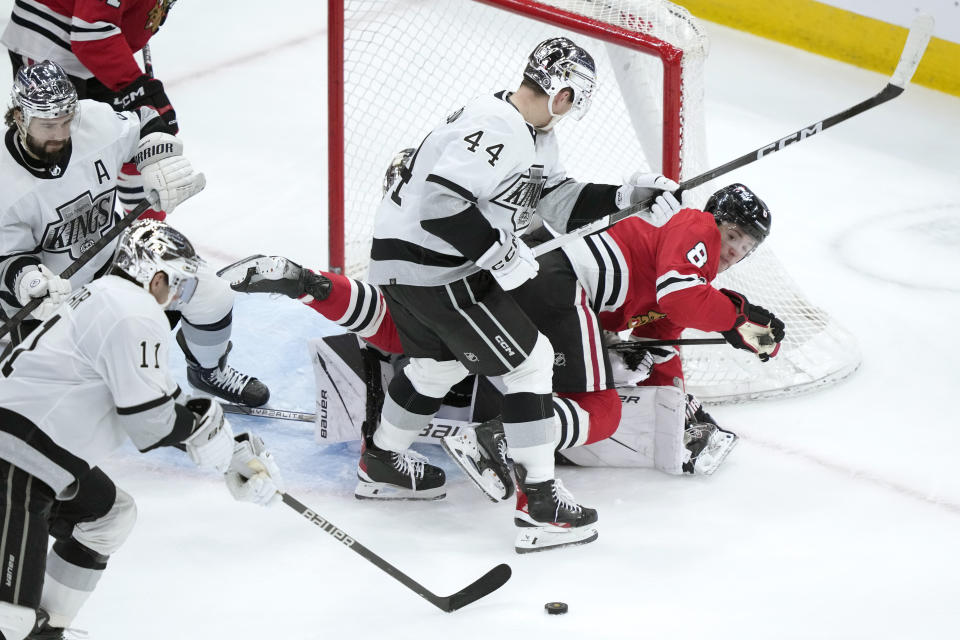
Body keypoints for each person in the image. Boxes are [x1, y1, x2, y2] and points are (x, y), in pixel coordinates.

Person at [225, 36, 682, 554]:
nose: (574, 110)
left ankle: (381, 462)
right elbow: (440, 205)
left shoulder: (533, 136)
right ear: (562, 91)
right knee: (530, 364)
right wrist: (498, 253)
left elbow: (558, 201)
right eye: (575, 99)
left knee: (437, 367)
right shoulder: (497, 126)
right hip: (434, 267)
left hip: (406, 268)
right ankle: (540, 505)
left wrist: (626, 197)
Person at [223, 181, 784, 490]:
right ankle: (500, 437)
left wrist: (672, 391)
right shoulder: (694, 226)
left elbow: (666, 334)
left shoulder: (689, 268)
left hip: (519, 267)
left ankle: (310, 285)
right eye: (733, 234)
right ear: (715, 221)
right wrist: (737, 318)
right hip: (560, 283)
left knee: (417, 339)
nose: (733, 250)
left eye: (745, 246)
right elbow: (680, 298)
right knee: (601, 410)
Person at [0, 219, 283, 640]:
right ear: (156, 277)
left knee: (109, 516)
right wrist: (212, 439)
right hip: (17, 458)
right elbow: (150, 422)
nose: (180, 298)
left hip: (33, 456)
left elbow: (160, 400)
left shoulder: (107, 297)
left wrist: (234, 454)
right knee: (10, 621)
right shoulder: (134, 311)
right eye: (180, 285)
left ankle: (49, 631)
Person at [0, 59, 269, 406]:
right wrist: (28, 280)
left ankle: (208, 372)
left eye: (66, 121)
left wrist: (156, 159)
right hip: (56, 296)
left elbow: (144, 119)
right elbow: (6, 259)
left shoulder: (91, 121)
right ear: (20, 117)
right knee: (74, 402)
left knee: (210, 293)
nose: (61, 134)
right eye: (49, 125)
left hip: (117, 261)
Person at [2, 0, 181, 220]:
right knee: (57, 154)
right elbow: (92, 30)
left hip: (102, 41)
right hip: (53, 39)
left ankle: (149, 233)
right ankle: (43, 242)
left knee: (135, 140)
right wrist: (137, 88)